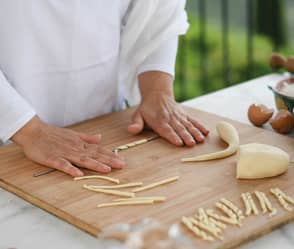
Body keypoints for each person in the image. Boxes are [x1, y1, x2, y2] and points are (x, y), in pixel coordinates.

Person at [0, 0, 209, 177]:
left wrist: (157, 91)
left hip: (106, 130)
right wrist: (27, 129)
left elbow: (159, 9)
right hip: (8, 143)